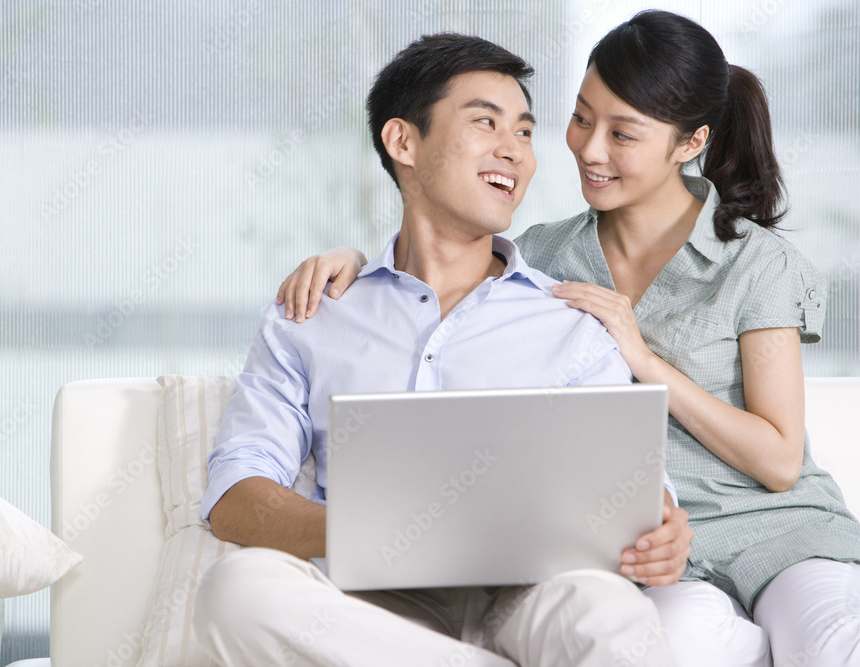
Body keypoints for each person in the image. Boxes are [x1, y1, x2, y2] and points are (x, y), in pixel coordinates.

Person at [275, 11, 860, 667]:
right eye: (582, 117)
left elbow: (780, 460)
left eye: (623, 134)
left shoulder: (756, 262)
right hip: (654, 553)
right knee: (672, 642)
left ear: (689, 143)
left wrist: (644, 360)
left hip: (779, 533)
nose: (590, 148)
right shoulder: (547, 255)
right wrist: (357, 262)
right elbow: (448, 263)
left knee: (833, 643)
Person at [195, 33, 692, 667]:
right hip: (366, 611)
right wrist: (381, 532)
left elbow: (640, 489)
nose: (513, 151)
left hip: (533, 599)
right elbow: (238, 492)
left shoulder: (571, 320)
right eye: (486, 122)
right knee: (235, 593)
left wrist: (663, 527)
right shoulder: (312, 314)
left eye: (524, 131)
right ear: (403, 142)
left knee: (611, 613)